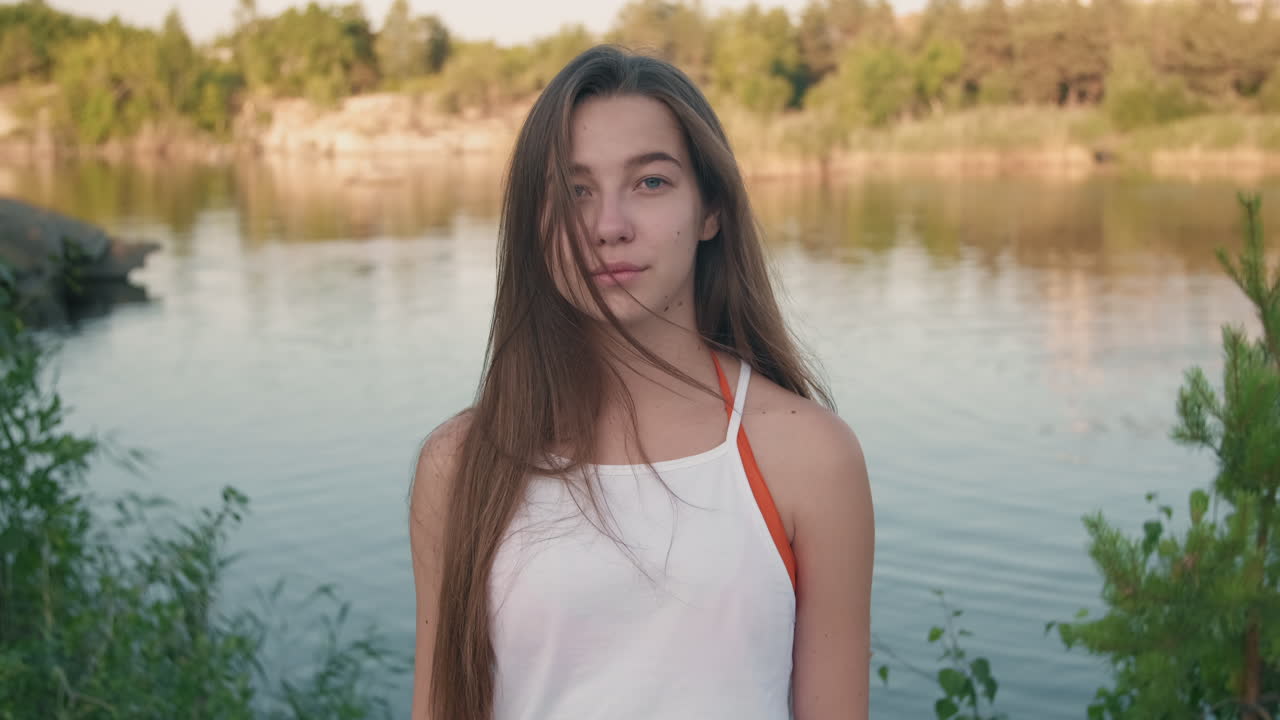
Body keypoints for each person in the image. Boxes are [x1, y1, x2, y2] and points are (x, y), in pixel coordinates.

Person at [410, 45, 874, 720]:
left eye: (650, 183)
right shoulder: (463, 465)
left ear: (711, 210)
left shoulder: (808, 458)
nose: (608, 227)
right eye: (574, 192)